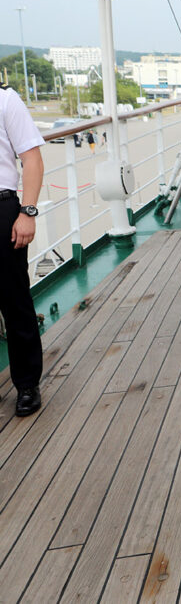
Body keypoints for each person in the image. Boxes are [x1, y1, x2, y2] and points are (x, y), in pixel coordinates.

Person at [0, 82, 44, 416]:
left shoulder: (6, 99)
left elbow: (32, 158)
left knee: (15, 300)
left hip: (2, 206)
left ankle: (27, 384)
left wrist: (27, 212)